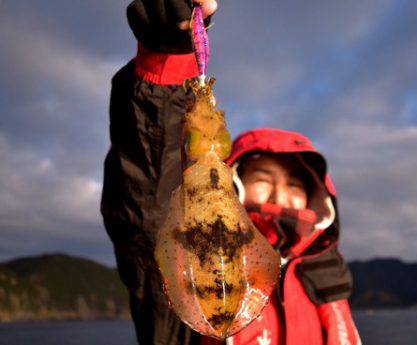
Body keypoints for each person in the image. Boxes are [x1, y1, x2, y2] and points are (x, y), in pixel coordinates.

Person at [100, 1, 361, 344]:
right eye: (264, 180)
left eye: (295, 184)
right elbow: (147, 197)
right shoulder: (188, 261)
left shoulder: (327, 279)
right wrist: (168, 56)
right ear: (234, 181)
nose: (279, 196)